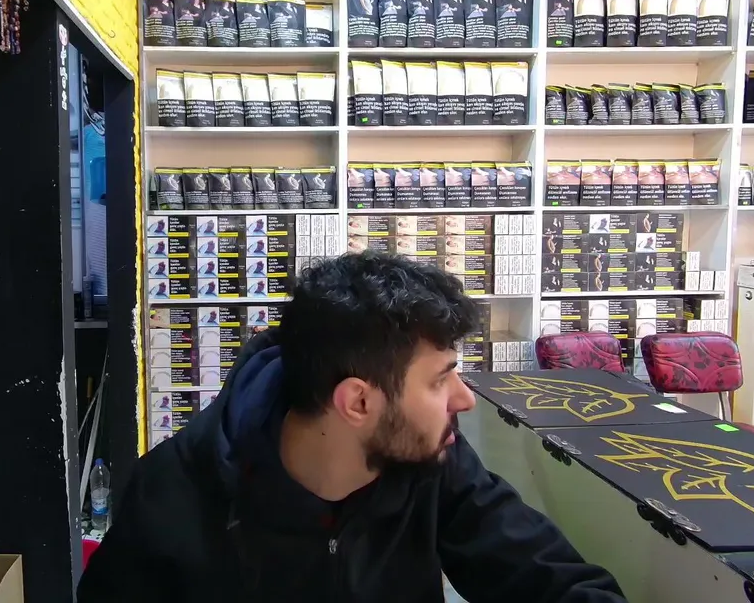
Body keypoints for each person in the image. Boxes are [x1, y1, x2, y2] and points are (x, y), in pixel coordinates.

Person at [79, 252, 627, 602]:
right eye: (440, 380)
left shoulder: (429, 462)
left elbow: (552, 582)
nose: (464, 399)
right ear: (358, 402)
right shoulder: (174, 495)